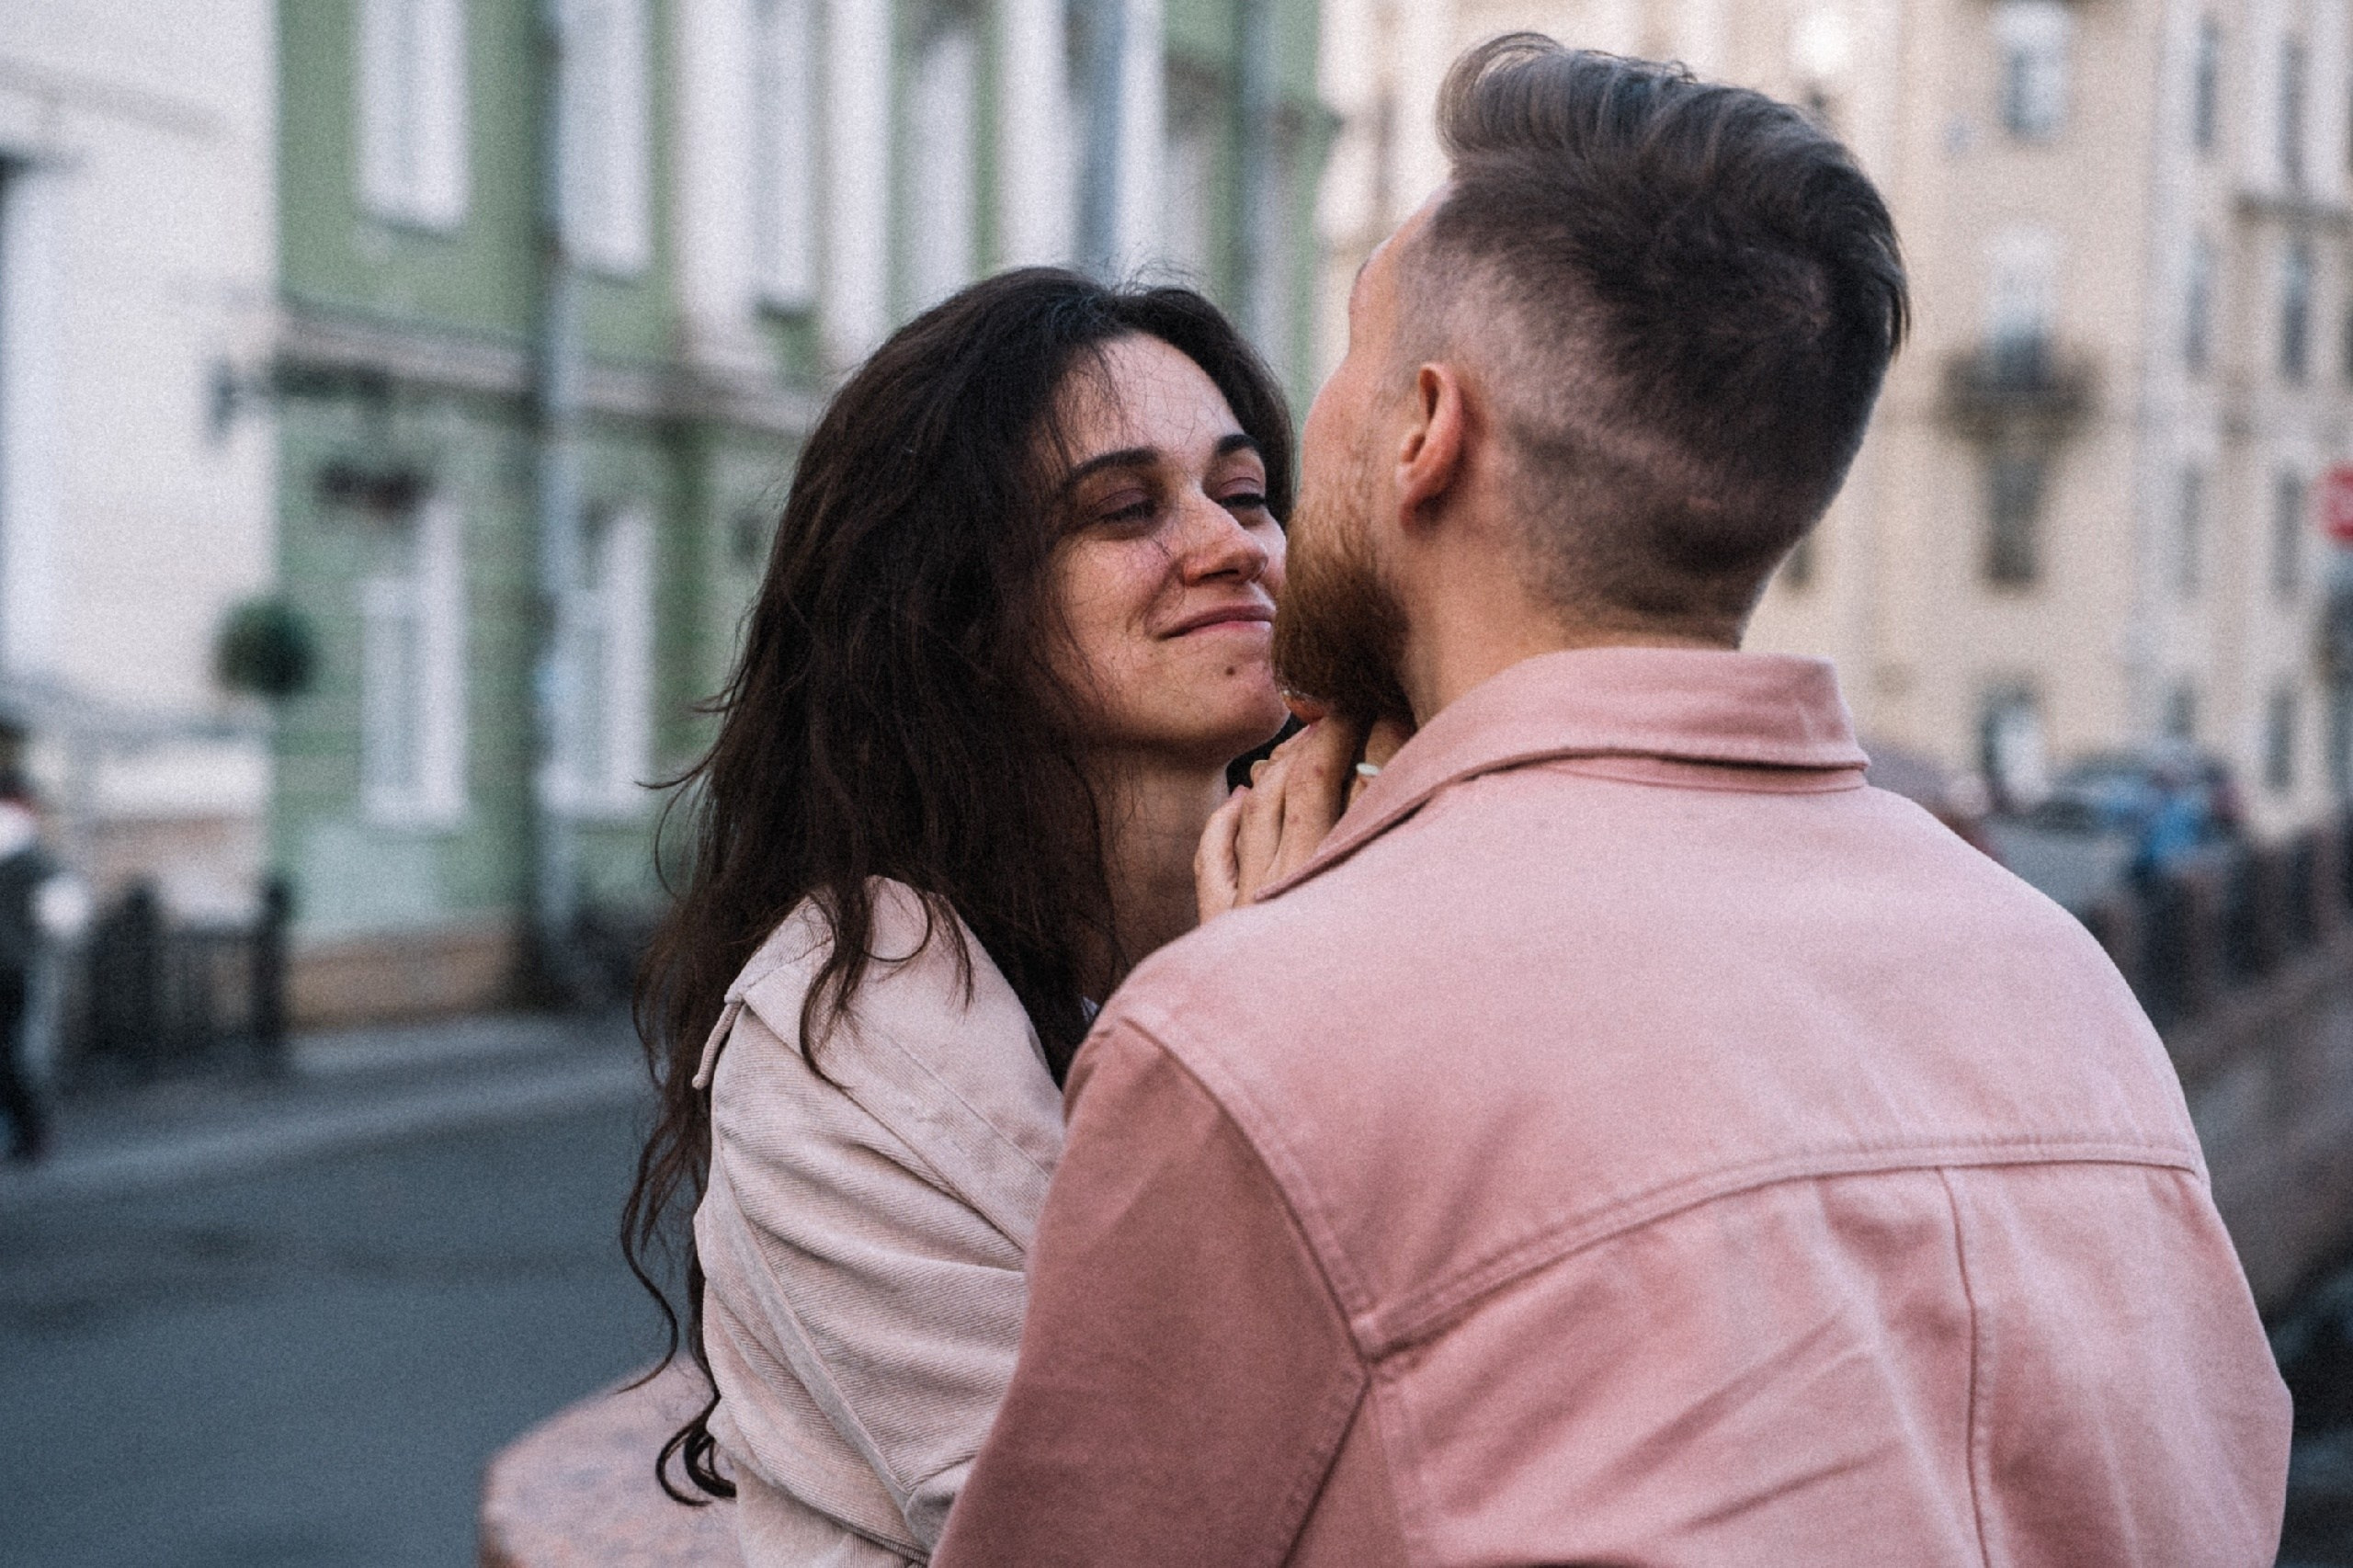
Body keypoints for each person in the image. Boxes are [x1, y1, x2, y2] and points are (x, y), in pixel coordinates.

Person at [935, 39, 2291, 1568]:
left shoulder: (1246, 1039)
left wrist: (1255, 990)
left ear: (1425, 431)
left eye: (1350, 360)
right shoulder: (2070, 993)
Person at [621, 269, 1296, 1565]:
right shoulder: (843, 1042)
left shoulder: (1348, 909)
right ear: (961, 614)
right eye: (1125, 509)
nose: (1231, 545)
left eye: (1246, 492)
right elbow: (1118, 1534)